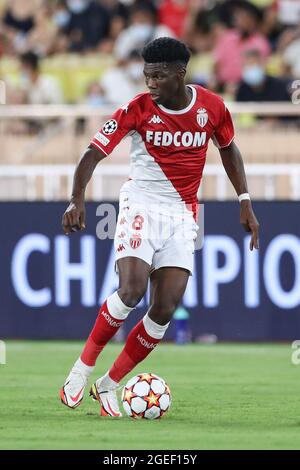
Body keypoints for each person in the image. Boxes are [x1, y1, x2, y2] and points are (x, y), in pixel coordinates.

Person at [60, 37, 259, 417]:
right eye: (146, 75)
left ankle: (109, 385)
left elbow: (229, 148)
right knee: (131, 290)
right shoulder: (136, 109)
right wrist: (77, 197)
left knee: (165, 307)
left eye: (158, 76)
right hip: (141, 204)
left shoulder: (212, 107)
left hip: (183, 214)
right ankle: (80, 371)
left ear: (180, 74)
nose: (150, 83)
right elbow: (92, 153)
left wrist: (245, 200)